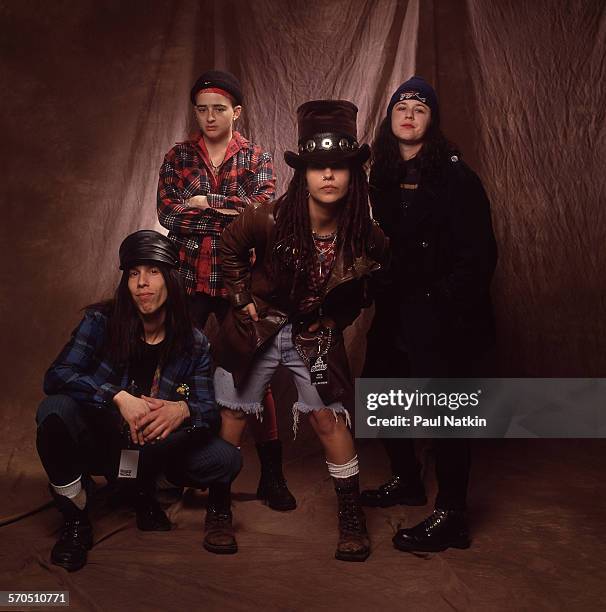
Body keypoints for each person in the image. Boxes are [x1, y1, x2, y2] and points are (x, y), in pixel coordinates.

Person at [212, 100, 388, 561]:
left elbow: (364, 287)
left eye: (338, 167)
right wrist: (241, 298)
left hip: (314, 332)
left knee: (328, 417)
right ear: (303, 174)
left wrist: (335, 322)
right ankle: (218, 509)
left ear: (353, 175)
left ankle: (351, 517)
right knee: (234, 413)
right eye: (317, 167)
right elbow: (230, 245)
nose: (328, 176)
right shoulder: (270, 217)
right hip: (260, 325)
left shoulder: (365, 234)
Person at [36, 230, 242, 571]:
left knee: (225, 459)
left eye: (152, 272)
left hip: (152, 448)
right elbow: (56, 376)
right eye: (133, 273)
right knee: (54, 411)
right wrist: (116, 397)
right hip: (103, 438)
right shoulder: (100, 322)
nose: (141, 283)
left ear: (171, 280)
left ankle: (142, 488)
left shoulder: (194, 342)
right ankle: (75, 518)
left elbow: (209, 410)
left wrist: (183, 409)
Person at [360, 76, 498, 552]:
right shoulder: (379, 177)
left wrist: (438, 301)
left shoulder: (456, 178)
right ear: (390, 117)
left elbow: (479, 258)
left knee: (446, 416)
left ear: (432, 122)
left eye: (421, 106)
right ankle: (407, 479)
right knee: (377, 391)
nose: (410, 111)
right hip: (397, 309)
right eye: (402, 103)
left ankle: (452, 513)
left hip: (444, 315)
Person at [157, 70, 295, 511]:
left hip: (241, 284)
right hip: (190, 281)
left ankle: (272, 475)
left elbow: (262, 215)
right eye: (202, 109)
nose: (210, 117)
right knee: (179, 373)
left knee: (254, 376)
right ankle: (180, 469)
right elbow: (169, 216)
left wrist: (205, 203)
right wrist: (229, 212)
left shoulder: (257, 157)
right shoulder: (179, 156)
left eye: (219, 109)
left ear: (236, 112)